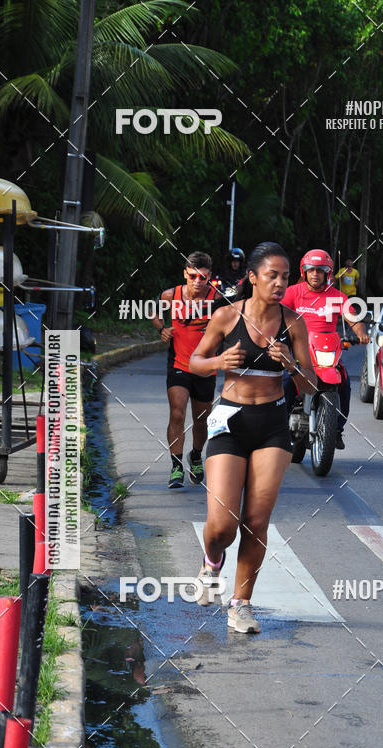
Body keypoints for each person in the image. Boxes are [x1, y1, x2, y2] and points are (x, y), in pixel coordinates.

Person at [189, 242, 315, 633]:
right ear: (253, 278)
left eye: (285, 277)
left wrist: (291, 364)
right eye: (272, 275)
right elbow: (195, 360)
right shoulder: (226, 316)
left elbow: (310, 384)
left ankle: (240, 604)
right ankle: (212, 562)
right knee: (221, 526)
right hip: (230, 421)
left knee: (256, 521)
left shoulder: (295, 323)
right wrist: (218, 362)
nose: (280, 283)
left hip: (272, 424)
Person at [282, 249, 368, 450]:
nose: (315, 274)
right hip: (299, 349)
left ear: (327, 273)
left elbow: (353, 318)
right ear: (304, 271)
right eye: (311, 270)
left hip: (326, 351)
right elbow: (277, 312)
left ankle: (336, 430)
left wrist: (361, 332)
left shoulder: (337, 297)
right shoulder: (293, 292)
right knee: (287, 380)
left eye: (319, 270)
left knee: (344, 384)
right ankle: (279, 427)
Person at [152, 251, 219, 489]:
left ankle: (196, 456)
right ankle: (176, 465)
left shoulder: (217, 298)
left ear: (209, 277)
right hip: (179, 364)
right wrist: (162, 329)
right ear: (185, 274)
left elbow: (231, 323)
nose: (198, 282)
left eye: (203, 277)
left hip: (206, 368)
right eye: (193, 276)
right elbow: (154, 312)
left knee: (201, 421)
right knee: (177, 413)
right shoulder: (171, 295)